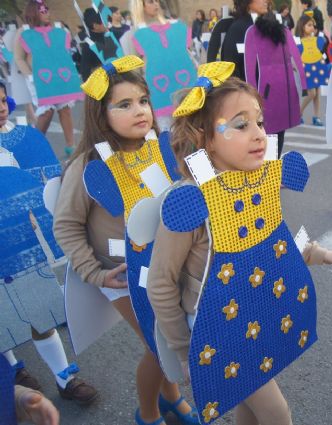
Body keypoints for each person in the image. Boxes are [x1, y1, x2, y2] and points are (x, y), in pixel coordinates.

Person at [149, 64, 332, 424]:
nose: (258, 134)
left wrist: (324, 254)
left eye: (260, 122)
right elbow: (160, 282)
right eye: (240, 124)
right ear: (205, 137)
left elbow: (275, 244)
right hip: (217, 329)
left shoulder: (259, 181)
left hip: (256, 311)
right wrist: (186, 350)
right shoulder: (193, 199)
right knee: (277, 413)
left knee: (247, 407)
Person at [53, 58, 198, 425]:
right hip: (122, 276)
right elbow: (66, 226)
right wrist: (97, 275)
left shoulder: (164, 145)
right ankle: (147, 415)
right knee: (161, 343)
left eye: (144, 101)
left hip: (167, 265)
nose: (140, 110)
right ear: (101, 115)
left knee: (167, 334)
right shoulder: (87, 165)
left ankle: (172, 400)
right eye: (124, 104)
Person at [0, 79, 99, 407]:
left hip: (21, 246)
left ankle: (64, 376)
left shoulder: (19, 139)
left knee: (38, 309)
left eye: (3, 100)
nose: (1, 108)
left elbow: (41, 183)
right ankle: (13, 367)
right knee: (3, 316)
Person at [13, 0, 82, 156]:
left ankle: (71, 145)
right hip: (38, 79)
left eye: (47, 10)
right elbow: (19, 57)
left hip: (60, 76)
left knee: (65, 109)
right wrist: (29, 75)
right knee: (47, 112)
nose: (47, 13)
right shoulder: (24, 32)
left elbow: (63, 51)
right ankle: (36, 146)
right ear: (33, 13)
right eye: (42, 11)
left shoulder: (58, 30)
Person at [242, 5, 307, 157]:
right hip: (286, 87)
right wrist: (303, 85)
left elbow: (249, 67)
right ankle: (273, 168)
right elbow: (297, 58)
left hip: (267, 89)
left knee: (268, 132)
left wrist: (251, 96)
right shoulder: (284, 31)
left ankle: (269, 171)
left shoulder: (252, 32)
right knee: (280, 132)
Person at [125, 0, 197, 130]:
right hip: (159, 94)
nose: (156, 4)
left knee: (195, 127)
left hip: (186, 85)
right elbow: (135, 71)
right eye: (151, 2)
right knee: (169, 134)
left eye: (157, 1)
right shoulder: (137, 35)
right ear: (141, 6)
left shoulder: (179, 27)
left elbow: (190, 55)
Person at [296, 14, 328, 126]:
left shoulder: (316, 40)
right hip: (307, 69)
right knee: (312, 93)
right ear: (302, 26)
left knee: (317, 93)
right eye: (309, 25)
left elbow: (324, 45)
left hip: (316, 67)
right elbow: (295, 56)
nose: (312, 27)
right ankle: (298, 113)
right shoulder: (299, 42)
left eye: (313, 25)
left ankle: (317, 116)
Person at [79, 7, 123, 81]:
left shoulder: (113, 35)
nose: (107, 22)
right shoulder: (88, 46)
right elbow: (85, 72)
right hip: (105, 82)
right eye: (103, 21)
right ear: (95, 25)